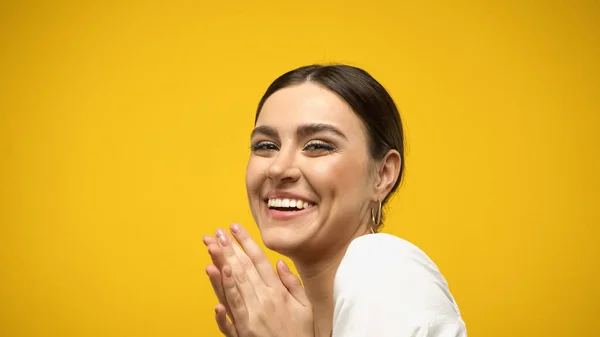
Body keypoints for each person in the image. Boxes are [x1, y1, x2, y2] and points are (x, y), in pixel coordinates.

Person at [202, 64, 467, 337]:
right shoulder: (293, 321)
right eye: (266, 146)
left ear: (383, 174)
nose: (278, 168)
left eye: (318, 146)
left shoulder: (383, 265)